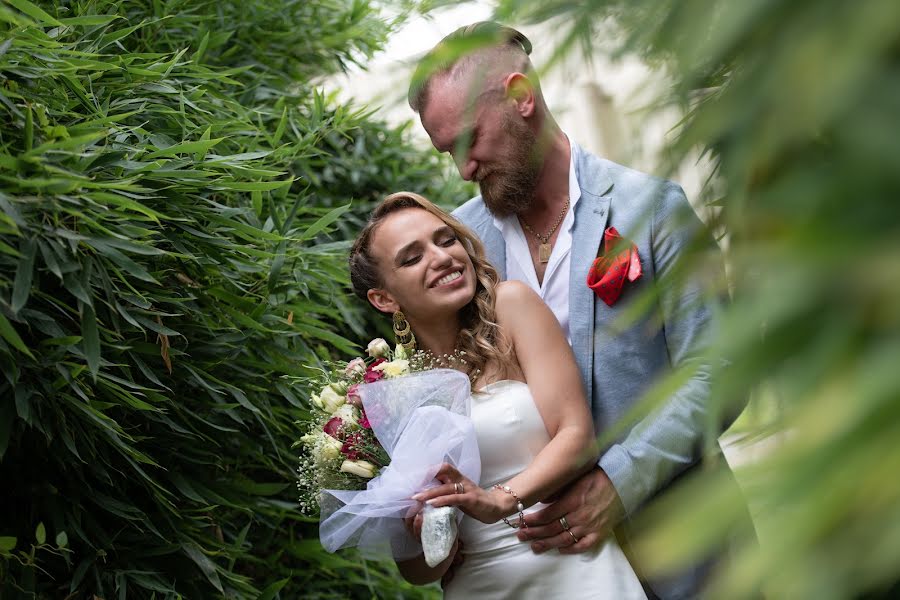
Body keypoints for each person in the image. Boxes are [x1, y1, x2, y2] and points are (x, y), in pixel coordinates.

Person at [408, 22, 748, 599]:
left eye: (470, 142)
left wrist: (619, 482)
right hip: (540, 572)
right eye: (448, 152)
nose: (463, 169)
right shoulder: (461, 245)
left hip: (685, 547)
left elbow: (720, 372)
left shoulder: (652, 209)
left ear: (521, 98)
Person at [349, 192, 647, 598]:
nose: (441, 257)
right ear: (384, 298)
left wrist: (500, 500)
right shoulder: (394, 388)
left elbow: (577, 437)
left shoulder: (512, 307)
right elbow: (418, 572)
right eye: (412, 257)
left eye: (445, 239)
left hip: (575, 569)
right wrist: (430, 534)